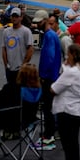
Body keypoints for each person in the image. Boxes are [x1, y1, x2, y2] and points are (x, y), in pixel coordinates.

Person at [50, 44, 80, 160]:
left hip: (66, 110)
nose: (67, 58)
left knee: (69, 147)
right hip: (77, 110)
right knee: (73, 146)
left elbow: (54, 89)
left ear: (73, 55)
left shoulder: (71, 72)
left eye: (68, 55)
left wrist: (63, 68)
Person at [32, 10, 61, 150]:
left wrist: (42, 75)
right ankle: (50, 134)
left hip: (48, 77)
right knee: (50, 107)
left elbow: (49, 58)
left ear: (45, 20)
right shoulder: (51, 35)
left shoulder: (49, 36)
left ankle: (48, 137)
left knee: (48, 108)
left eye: (39, 21)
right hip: (52, 76)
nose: (37, 24)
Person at [2, 7, 34, 86]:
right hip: (10, 68)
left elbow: (30, 50)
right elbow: (4, 49)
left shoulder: (26, 31)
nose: (14, 18)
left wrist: (24, 65)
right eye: (13, 16)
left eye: (16, 16)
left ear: (21, 17)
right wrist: (6, 65)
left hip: (21, 68)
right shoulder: (6, 31)